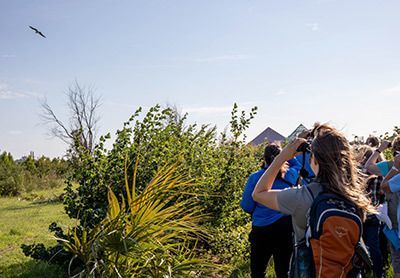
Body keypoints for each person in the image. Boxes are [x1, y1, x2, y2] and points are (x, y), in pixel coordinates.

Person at [252, 124, 375, 277]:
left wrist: (282, 157)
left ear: (314, 159)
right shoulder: (356, 198)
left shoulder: (301, 197)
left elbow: (259, 193)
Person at [241, 144, 298, 278]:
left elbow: (247, 206)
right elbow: (297, 164)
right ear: (283, 159)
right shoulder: (290, 175)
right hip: (285, 228)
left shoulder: (255, 178)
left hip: (261, 229)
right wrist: (287, 154)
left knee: (258, 271)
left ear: (264, 159)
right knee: (284, 272)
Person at [365, 136, 400, 278]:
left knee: (397, 256)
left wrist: (379, 149)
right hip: (393, 215)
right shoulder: (389, 166)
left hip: (393, 216)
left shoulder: (389, 167)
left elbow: (368, 166)